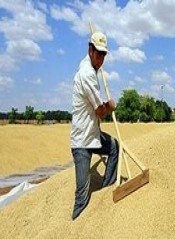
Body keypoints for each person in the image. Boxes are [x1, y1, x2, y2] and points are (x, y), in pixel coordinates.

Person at [70, 31, 119, 220]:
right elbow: (100, 111)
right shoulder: (87, 74)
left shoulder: (89, 65)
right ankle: (75, 227)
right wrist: (110, 106)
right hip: (82, 141)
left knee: (115, 147)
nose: (101, 59)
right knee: (82, 197)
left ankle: (106, 194)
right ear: (90, 50)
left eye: (104, 55)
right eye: (98, 54)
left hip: (94, 135)